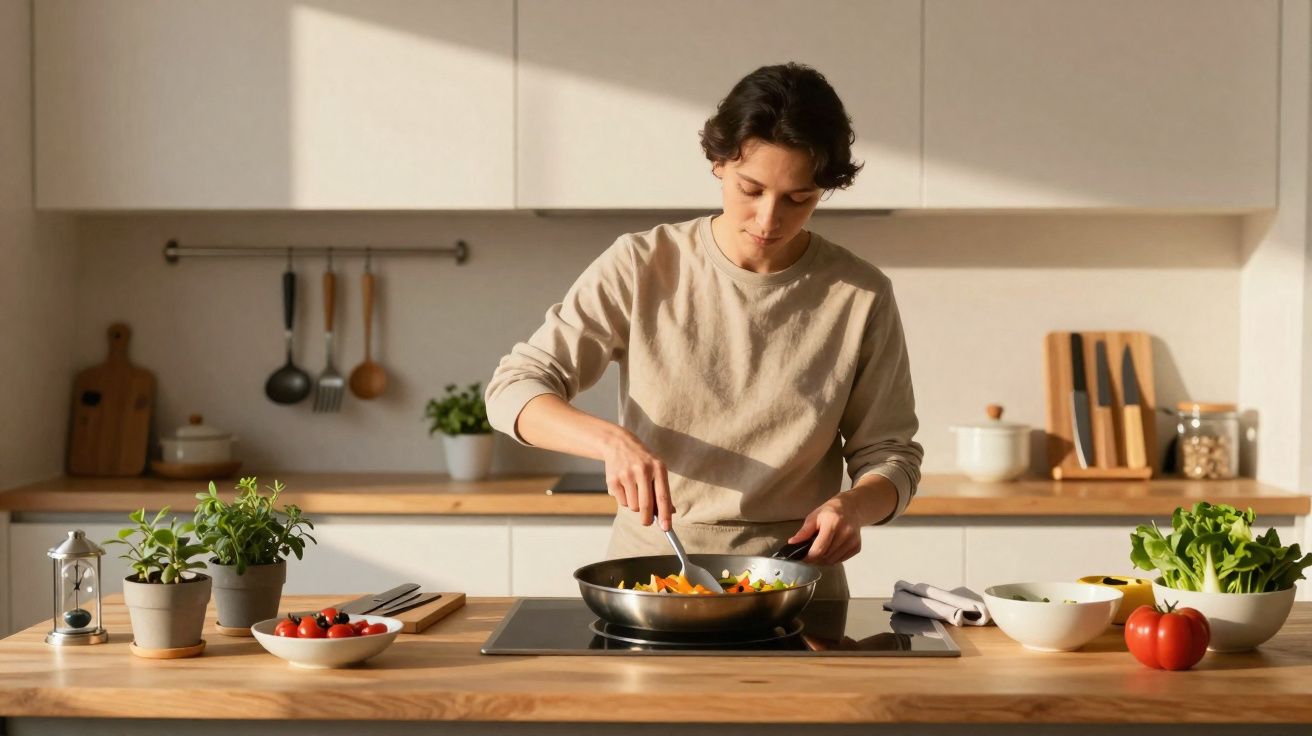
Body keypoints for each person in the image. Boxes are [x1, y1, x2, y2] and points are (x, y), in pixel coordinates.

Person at [485, 62, 922, 599]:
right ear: (718, 162)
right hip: (652, 574)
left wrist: (853, 506)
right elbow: (513, 389)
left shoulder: (860, 293)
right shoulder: (642, 264)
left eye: (798, 198)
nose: (768, 220)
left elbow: (892, 455)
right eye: (750, 189)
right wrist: (611, 443)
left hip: (795, 579)